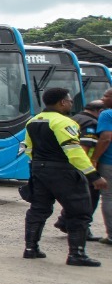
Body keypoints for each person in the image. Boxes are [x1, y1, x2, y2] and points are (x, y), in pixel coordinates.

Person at [22, 87, 107, 266]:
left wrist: (37, 167)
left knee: (39, 209)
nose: (70, 103)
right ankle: (77, 254)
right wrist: (93, 176)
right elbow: (74, 151)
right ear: (61, 102)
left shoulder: (33, 121)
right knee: (80, 211)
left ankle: (31, 248)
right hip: (63, 171)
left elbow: (28, 148)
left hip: (39, 169)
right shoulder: (64, 122)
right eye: (69, 100)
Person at [56, 98, 104, 241]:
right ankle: (82, 229)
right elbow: (84, 147)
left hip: (68, 165)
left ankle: (64, 221)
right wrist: (90, 169)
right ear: (100, 111)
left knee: (76, 199)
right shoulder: (91, 123)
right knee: (88, 200)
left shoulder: (75, 118)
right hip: (84, 167)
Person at [94, 88, 112, 244]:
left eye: (106, 96)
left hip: (109, 161)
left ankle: (111, 235)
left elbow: (106, 138)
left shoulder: (107, 114)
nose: (102, 98)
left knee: (108, 197)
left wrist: (94, 158)